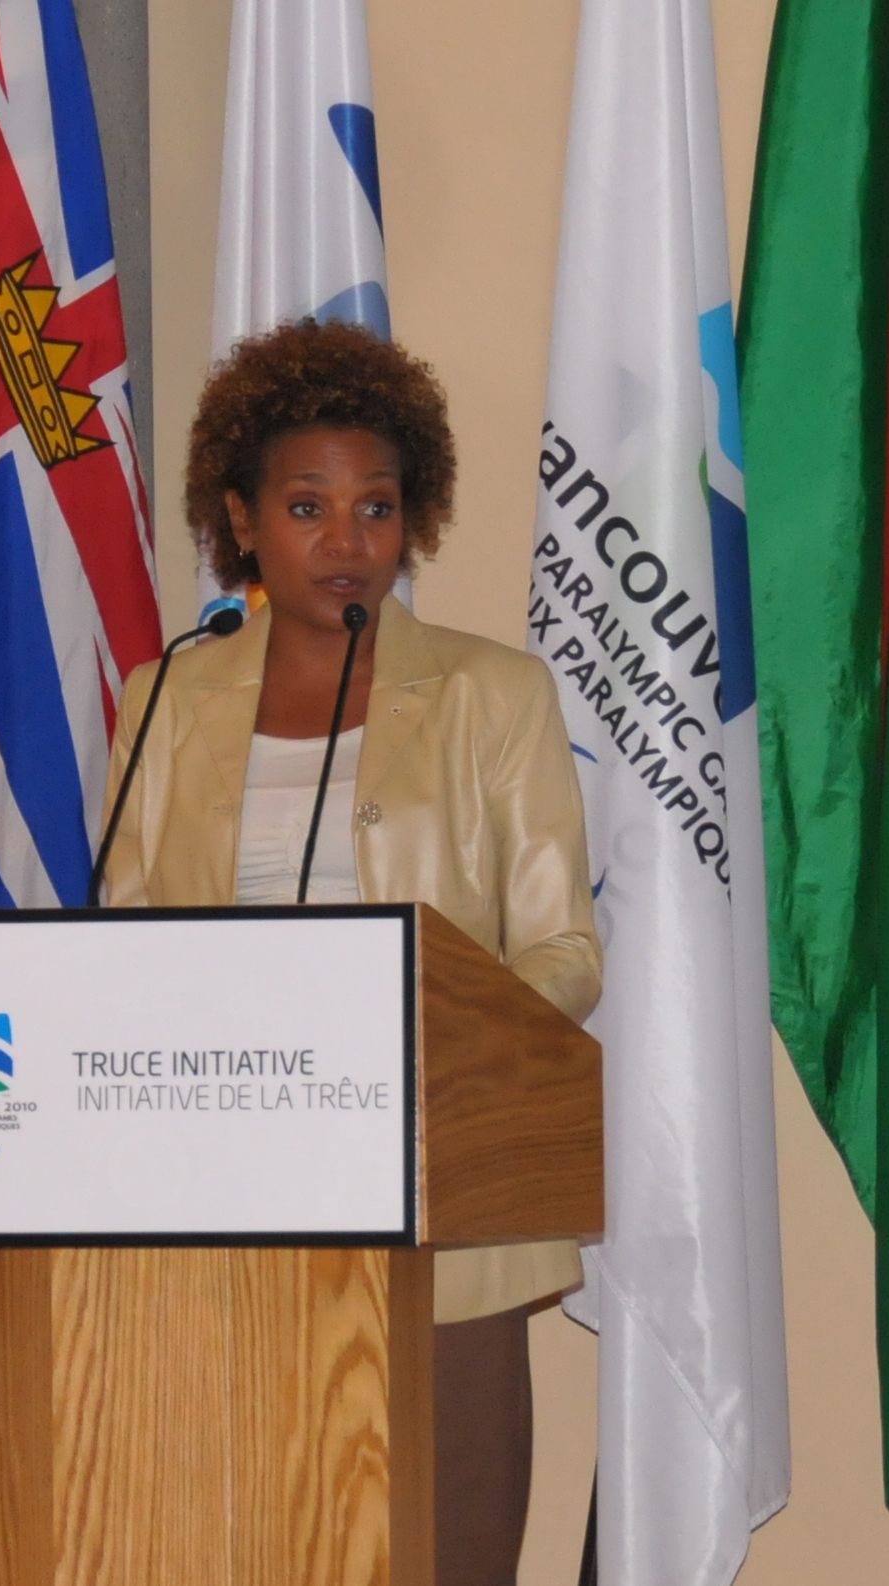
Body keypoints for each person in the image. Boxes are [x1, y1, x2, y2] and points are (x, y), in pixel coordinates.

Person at [98, 320, 600, 1586]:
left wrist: (418, 1057)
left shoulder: (495, 696)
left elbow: (564, 951)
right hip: (228, 1216)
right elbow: (121, 948)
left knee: (452, 1555)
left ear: (414, 518)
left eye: (376, 506)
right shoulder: (168, 698)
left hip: (445, 1212)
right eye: (308, 506)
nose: (345, 539)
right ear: (241, 519)